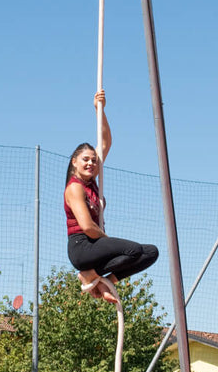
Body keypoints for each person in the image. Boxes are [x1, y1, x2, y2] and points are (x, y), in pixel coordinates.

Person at [65, 90, 158, 304]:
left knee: (150, 252)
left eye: (93, 160)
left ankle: (104, 281)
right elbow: (88, 227)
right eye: (85, 160)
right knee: (132, 250)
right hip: (83, 246)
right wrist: (110, 241)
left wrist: (100, 110)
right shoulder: (75, 187)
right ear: (74, 162)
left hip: (96, 246)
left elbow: (105, 141)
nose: (91, 163)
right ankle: (89, 274)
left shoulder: (92, 181)